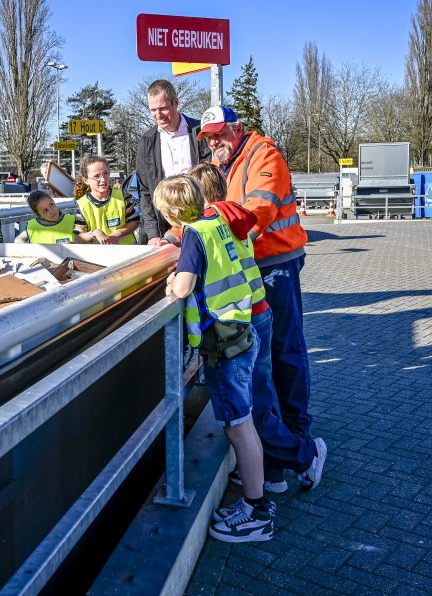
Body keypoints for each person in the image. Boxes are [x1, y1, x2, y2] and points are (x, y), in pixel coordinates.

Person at [187, 163, 326, 493]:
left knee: (254, 408)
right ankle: (271, 472)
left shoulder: (209, 224)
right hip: (256, 313)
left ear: (200, 195)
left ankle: (305, 456)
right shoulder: (234, 215)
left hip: (239, 325)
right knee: (261, 399)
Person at [154, 174, 273, 543]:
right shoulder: (217, 221)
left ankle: (257, 511)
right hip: (241, 330)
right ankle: (257, 499)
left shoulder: (193, 234)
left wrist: (172, 282)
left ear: (172, 214)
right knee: (244, 422)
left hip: (224, 344)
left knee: (238, 425)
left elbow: (185, 285)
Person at [135, 79, 210, 245]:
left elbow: (211, 179)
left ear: (176, 103)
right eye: (153, 110)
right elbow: (145, 192)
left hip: (200, 221)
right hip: (164, 228)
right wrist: (153, 233)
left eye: (162, 108)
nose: (158, 115)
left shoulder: (200, 133)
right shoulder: (146, 141)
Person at [73, 156, 139, 245]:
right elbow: (78, 238)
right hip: (99, 255)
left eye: (105, 173)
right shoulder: (82, 204)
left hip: (127, 251)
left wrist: (118, 233)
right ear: (86, 180)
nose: (103, 179)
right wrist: (93, 233)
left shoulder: (123, 196)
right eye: (96, 176)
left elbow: (135, 221)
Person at [15, 190, 79, 244]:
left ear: (53, 201)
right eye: (45, 210)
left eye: (51, 205)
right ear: (39, 215)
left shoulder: (73, 220)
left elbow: (84, 239)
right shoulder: (32, 226)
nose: (51, 211)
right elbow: (19, 239)